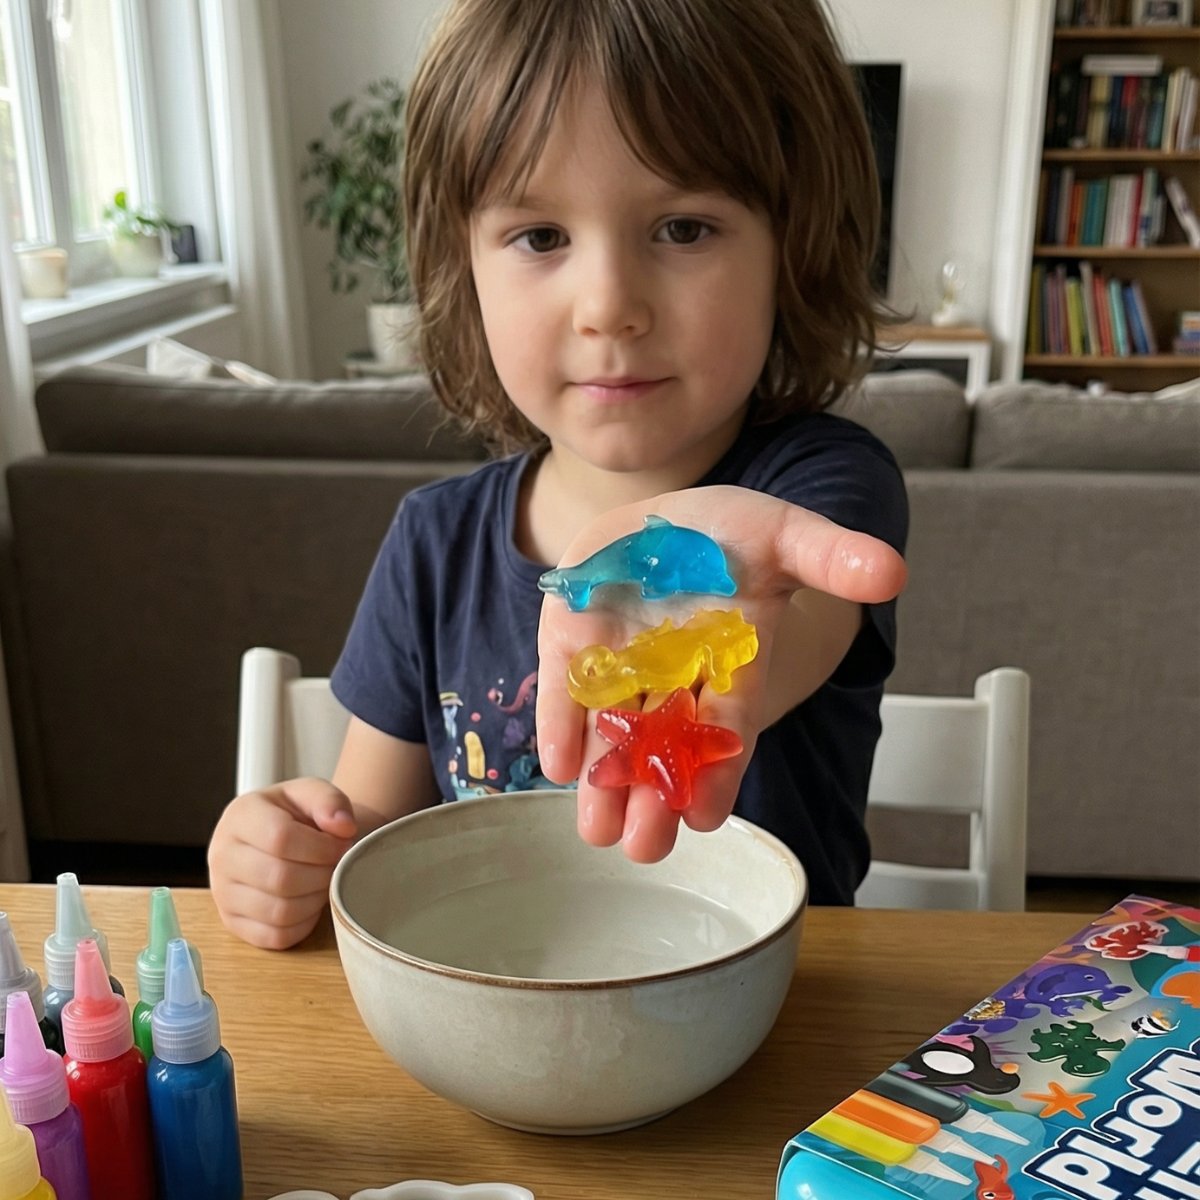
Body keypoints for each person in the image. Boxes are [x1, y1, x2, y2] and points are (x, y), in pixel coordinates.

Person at [209, 0, 909, 950]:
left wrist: (711, 615)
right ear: (463, 266)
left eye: (684, 228)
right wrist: (294, 855)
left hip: (786, 1016)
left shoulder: (823, 490)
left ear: (793, 247)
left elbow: (795, 625)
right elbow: (372, 840)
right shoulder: (432, 544)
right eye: (541, 236)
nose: (608, 305)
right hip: (499, 1013)